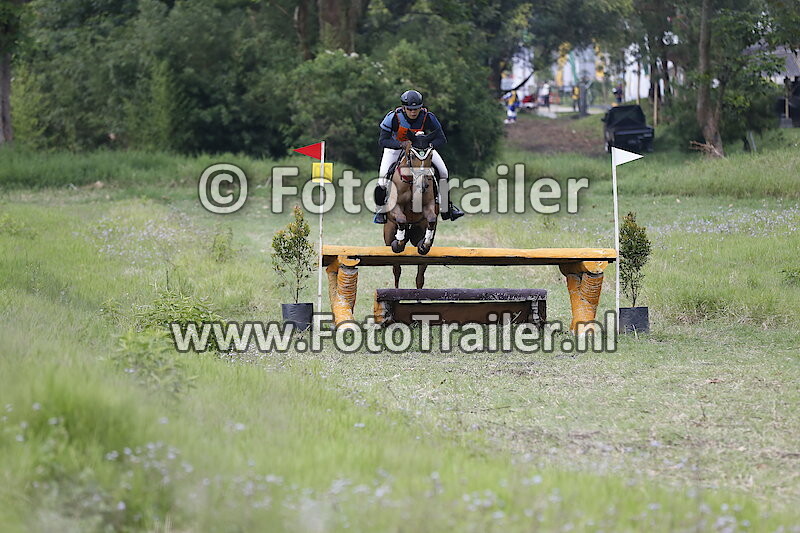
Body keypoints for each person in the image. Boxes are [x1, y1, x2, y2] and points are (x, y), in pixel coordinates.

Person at [373, 89, 464, 224]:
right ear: (404, 107)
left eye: (416, 109)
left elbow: (441, 138)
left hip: (422, 150)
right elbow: (383, 140)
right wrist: (401, 144)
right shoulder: (393, 117)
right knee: (382, 178)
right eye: (410, 109)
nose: (413, 112)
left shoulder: (428, 117)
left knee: (443, 171)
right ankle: (380, 210)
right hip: (395, 149)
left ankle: (447, 207)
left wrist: (428, 145)